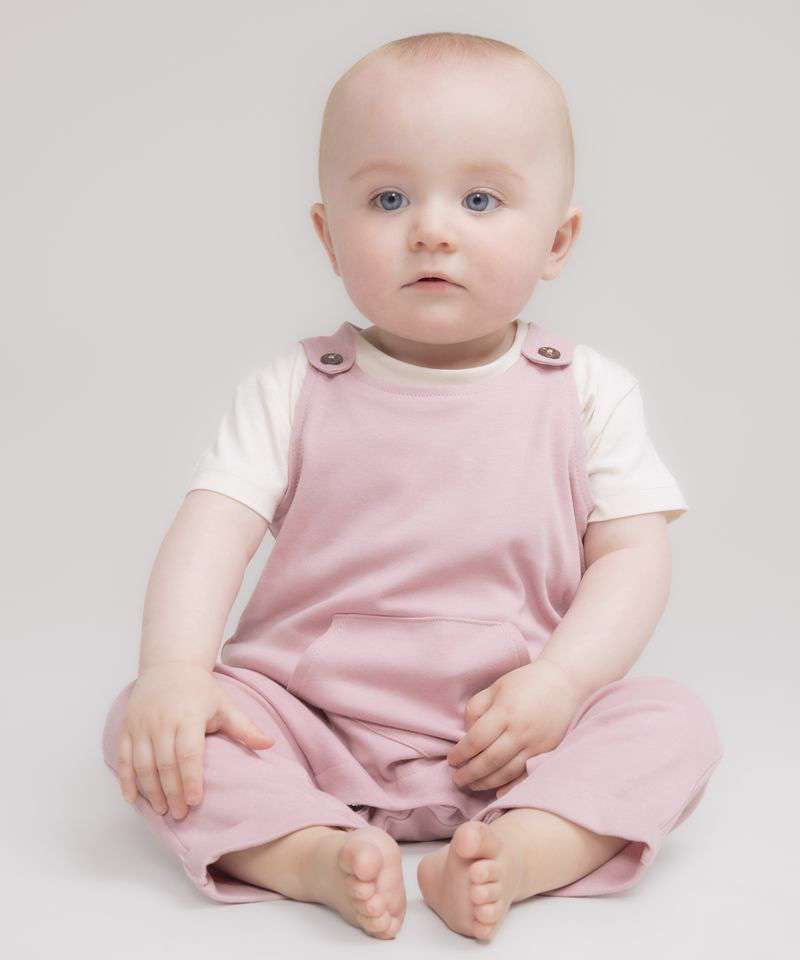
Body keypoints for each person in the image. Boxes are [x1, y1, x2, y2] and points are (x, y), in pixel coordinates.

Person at [100, 32, 723, 942]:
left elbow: (633, 556)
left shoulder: (584, 390)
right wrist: (174, 671)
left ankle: (523, 848)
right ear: (328, 236)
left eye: (480, 200)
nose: (432, 230)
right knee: (151, 720)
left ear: (557, 240)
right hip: (309, 722)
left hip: (511, 727)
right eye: (388, 199)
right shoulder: (296, 388)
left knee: (670, 721)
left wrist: (561, 682)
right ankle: (306, 850)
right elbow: (211, 530)